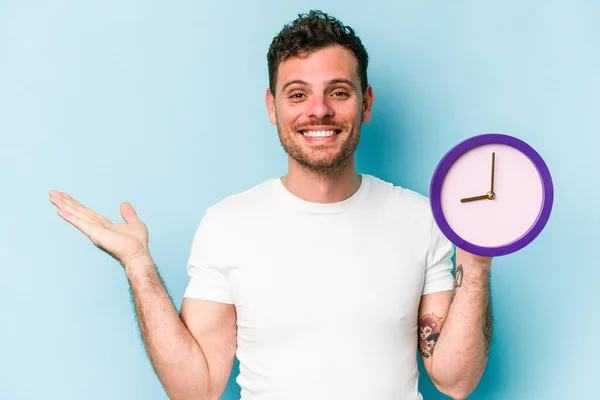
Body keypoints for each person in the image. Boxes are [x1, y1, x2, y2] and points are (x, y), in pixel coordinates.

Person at [49, 10, 493, 400]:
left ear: (366, 103)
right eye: (297, 94)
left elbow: (455, 381)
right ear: (272, 106)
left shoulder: (420, 217)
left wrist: (475, 264)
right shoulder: (227, 225)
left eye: (338, 92)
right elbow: (196, 388)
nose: (318, 111)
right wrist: (139, 267)